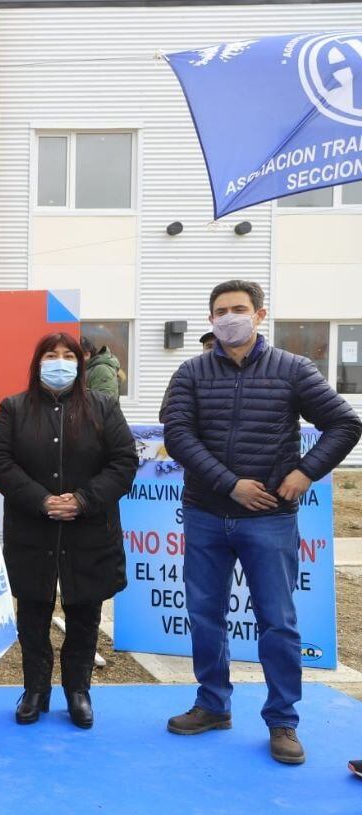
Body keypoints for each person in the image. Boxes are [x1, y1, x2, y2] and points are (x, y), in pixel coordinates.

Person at [162, 280, 361, 765]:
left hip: (270, 520)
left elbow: (346, 424)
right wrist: (230, 483)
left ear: (260, 314)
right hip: (208, 514)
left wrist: (304, 472)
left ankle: (283, 721)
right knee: (206, 615)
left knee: (278, 622)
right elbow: (178, 435)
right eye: (221, 310)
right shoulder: (191, 372)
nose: (230, 316)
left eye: (239, 309)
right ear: (210, 319)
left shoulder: (293, 369)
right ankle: (212, 704)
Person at [0, 332, 137, 728]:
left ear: (80, 363)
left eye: (68, 355)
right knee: (32, 615)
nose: (60, 361)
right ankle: (35, 689)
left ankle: (78, 691)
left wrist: (82, 500)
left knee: (84, 614)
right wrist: (42, 499)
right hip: (32, 530)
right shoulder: (15, 408)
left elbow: (123, 462)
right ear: (37, 363)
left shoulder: (103, 406)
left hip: (89, 531)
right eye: (51, 355)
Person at [81, 336, 121, 402]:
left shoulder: (101, 370)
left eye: (70, 356)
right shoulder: (88, 369)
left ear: (86, 355)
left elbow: (104, 404)